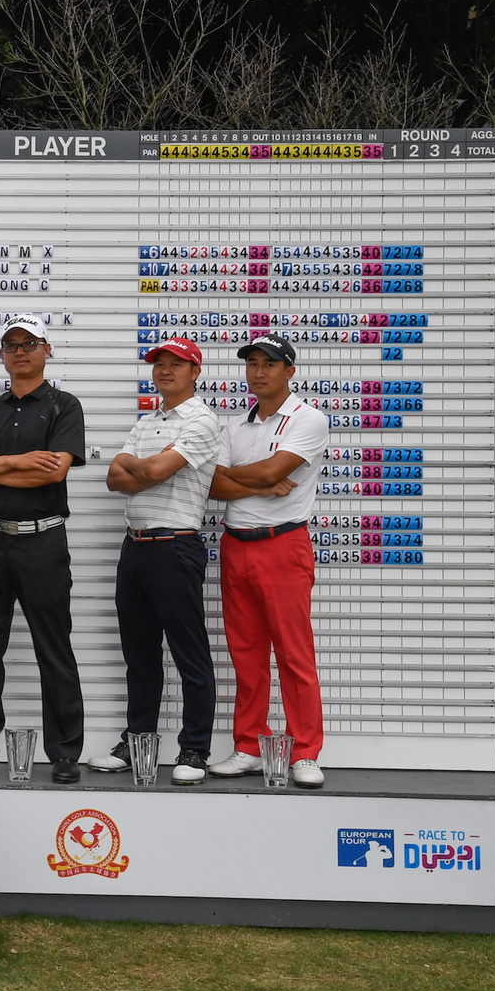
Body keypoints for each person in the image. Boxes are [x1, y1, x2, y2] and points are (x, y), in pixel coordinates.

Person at [0, 313, 86, 783]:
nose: (20, 351)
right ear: (2, 354)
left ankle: (65, 752)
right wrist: (18, 461)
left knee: (54, 647)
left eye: (30, 343)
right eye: (11, 344)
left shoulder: (65, 407)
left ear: (47, 350)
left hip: (43, 540)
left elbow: (53, 472)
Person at [93, 337, 222, 785]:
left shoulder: (203, 420)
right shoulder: (148, 421)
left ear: (195, 372)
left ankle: (194, 750)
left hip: (175, 545)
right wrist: (132, 465)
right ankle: (137, 740)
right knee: (140, 653)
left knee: (190, 654)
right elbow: (114, 479)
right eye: (159, 364)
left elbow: (148, 473)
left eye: (176, 364)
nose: (165, 370)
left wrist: (133, 464)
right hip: (136, 547)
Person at [207, 335, 329, 788]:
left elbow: (273, 472)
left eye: (270, 364)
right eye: (252, 363)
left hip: (283, 545)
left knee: (295, 655)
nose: (259, 372)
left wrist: (253, 476)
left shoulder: (308, 418)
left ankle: (305, 752)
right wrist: (256, 483)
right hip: (236, 545)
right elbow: (211, 486)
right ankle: (248, 747)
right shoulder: (233, 427)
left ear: (289, 371)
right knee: (246, 655)